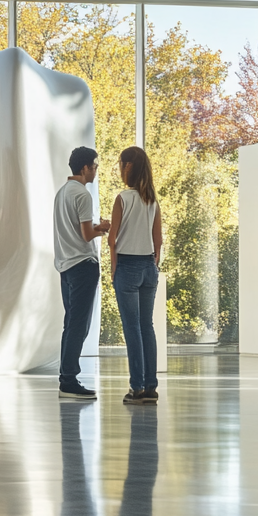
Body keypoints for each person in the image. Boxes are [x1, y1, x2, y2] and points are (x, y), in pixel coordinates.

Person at [53, 146, 110, 400]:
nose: (96, 171)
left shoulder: (62, 193)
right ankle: (68, 381)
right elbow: (86, 235)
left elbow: (74, 230)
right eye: (95, 166)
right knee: (79, 325)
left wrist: (94, 227)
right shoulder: (83, 195)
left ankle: (66, 377)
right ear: (85, 167)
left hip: (65, 266)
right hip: (82, 266)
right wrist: (104, 228)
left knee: (71, 323)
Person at [108, 145, 164, 406]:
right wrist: (153, 264)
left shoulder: (122, 198)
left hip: (127, 266)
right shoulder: (152, 200)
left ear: (128, 167)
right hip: (148, 266)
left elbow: (112, 238)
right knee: (146, 327)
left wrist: (113, 266)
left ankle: (137, 387)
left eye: (121, 163)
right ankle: (151, 387)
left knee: (132, 329)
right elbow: (158, 240)